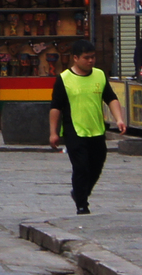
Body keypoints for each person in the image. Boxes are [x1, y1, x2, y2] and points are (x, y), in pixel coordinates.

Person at [49, 40, 126, 216]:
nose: (91, 61)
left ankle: (80, 193)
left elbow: (111, 98)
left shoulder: (99, 75)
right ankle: (82, 205)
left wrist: (119, 119)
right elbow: (55, 107)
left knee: (97, 165)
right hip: (74, 129)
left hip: (96, 129)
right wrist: (53, 133)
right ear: (75, 58)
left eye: (93, 57)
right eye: (86, 58)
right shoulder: (64, 79)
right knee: (81, 166)